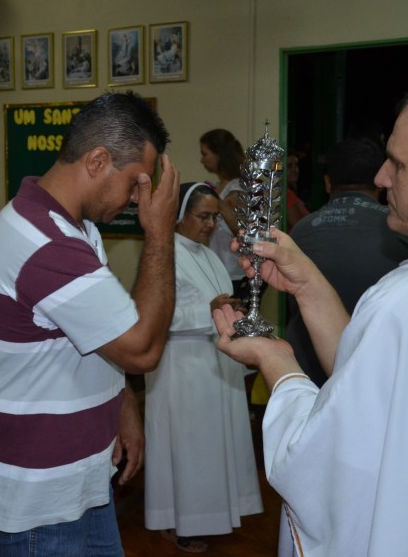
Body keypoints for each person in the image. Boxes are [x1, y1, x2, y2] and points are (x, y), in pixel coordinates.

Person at [213, 72, 408, 556]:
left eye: (397, 163)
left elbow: (330, 459)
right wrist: (308, 285)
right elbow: (378, 385)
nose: (380, 179)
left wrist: (278, 363)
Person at [0, 90, 180, 556]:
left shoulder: (74, 228)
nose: (136, 199)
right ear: (98, 160)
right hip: (39, 492)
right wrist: (160, 232)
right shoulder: (48, 244)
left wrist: (124, 409)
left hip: (77, 473)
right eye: (135, 183)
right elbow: (142, 349)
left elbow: (103, 333)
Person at [144, 183, 261, 554]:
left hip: (212, 365)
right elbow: (153, 318)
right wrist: (210, 311)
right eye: (203, 216)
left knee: (213, 448)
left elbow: (216, 304)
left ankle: (216, 514)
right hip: (181, 368)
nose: (211, 224)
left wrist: (232, 312)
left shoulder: (207, 255)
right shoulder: (163, 254)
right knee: (189, 451)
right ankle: (180, 523)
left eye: (214, 216)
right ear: (179, 215)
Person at [286, 137, 408, 386]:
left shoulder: (300, 231)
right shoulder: (405, 233)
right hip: (381, 374)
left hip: (306, 374)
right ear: (380, 183)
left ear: (327, 182)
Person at [199, 129, 248, 298]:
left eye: (205, 154)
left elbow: (244, 232)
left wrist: (219, 204)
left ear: (219, 155)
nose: (202, 160)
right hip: (218, 270)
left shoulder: (237, 189)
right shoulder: (220, 186)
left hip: (235, 273)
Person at [283, 150, 309, 232]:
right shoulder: (286, 194)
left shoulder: (291, 192)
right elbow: (300, 230)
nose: (295, 170)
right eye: (289, 166)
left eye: (296, 165)